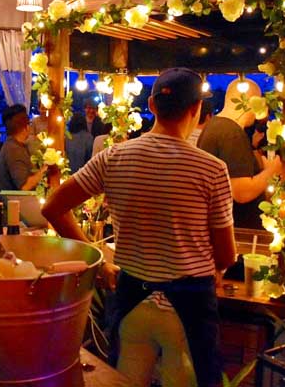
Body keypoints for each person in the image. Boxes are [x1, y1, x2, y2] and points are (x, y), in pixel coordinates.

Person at [42, 68, 236, 387]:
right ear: (196, 109)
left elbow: (52, 207)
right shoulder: (211, 169)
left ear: (151, 105)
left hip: (132, 301)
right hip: (188, 307)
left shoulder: (114, 157)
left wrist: (99, 263)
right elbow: (226, 255)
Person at [198, 78, 282, 229]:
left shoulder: (214, 125)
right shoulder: (231, 132)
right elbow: (242, 193)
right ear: (251, 102)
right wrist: (272, 171)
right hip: (239, 229)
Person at [0, 104, 46, 194]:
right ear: (26, 127)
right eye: (29, 124)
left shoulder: (16, 145)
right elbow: (24, 186)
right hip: (14, 202)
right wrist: (44, 170)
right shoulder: (14, 150)